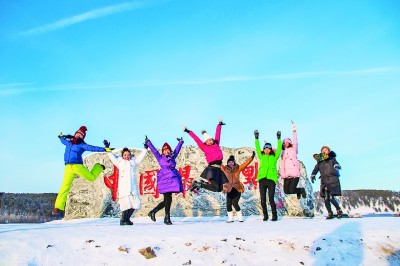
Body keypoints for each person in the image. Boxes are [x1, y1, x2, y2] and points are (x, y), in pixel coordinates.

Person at [53, 126, 113, 216]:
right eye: (78, 134)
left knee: (91, 177)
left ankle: (98, 167)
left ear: (82, 137)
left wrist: (104, 149)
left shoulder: (82, 145)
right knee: (64, 187)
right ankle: (58, 206)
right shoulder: (68, 143)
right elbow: (62, 140)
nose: (79, 136)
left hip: (77, 166)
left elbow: (92, 148)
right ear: (75, 134)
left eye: (81, 135)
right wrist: (60, 137)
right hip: (68, 167)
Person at [145, 136, 184, 225]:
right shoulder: (160, 157)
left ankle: (154, 212)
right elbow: (154, 151)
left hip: (172, 180)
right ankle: (166, 218)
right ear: (162, 151)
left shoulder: (173, 157)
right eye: (165, 150)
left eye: (168, 149)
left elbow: (177, 150)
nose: (166, 151)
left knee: (167, 200)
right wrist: (148, 142)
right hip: (164, 179)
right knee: (168, 199)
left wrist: (180, 142)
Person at [183, 118, 228, 193]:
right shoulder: (204, 147)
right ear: (205, 142)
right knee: (216, 187)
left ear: (212, 140)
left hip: (219, 169)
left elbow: (218, 134)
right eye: (207, 141)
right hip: (212, 169)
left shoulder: (216, 144)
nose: (209, 142)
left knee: (219, 189)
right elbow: (196, 139)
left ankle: (200, 184)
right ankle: (200, 184)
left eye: (210, 140)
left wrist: (219, 125)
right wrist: (188, 131)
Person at [107, 144, 147, 225]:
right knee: (126, 205)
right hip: (124, 188)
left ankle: (127, 219)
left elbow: (140, 158)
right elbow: (112, 158)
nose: (127, 156)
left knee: (134, 205)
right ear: (122, 156)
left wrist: (145, 149)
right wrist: (108, 149)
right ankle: (123, 220)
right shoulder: (120, 163)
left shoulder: (133, 163)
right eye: (125, 155)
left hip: (133, 188)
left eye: (128, 155)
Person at [254, 129, 282, 221]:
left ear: (270, 150)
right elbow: (257, 149)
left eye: (268, 149)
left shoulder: (275, 157)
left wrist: (279, 139)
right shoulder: (262, 156)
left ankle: (274, 215)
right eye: (265, 149)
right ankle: (265, 215)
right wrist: (256, 139)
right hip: (262, 179)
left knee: (271, 198)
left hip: (271, 179)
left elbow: (279, 149)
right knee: (262, 199)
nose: (267, 150)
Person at [310, 146, 343, 219]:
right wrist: (313, 175)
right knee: (326, 198)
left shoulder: (332, 158)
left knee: (331, 197)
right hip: (324, 181)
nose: (324, 151)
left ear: (328, 151)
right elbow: (316, 169)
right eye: (323, 150)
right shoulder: (320, 161)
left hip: (332, 179)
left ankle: (339, 209)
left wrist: (337, 166)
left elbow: (335, 163)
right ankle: (330, 213)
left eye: (326, 150)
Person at [221, 152, 255, 223]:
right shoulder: (224, 169)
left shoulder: (238, 168)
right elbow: (218, 164)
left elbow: (246, 164)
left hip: (237, 188)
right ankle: (230, 218)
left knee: (235, 203)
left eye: (232, 162)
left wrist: (252, 157)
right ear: (227, 163)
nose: (230, 163)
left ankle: (240, 218)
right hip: (229, 189)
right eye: (229, 162)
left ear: (234, 163)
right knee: (228, 204)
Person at [279, 120, 306, 199]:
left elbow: (295, 141)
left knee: (291, 189)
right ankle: (298, 191)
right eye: (284, 143)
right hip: (286, 174)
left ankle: (301, 190)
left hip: (294, 173)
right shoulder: (282, 152)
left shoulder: (294, 149)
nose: (286, 144)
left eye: (287, 142)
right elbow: (276, 150)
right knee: (287, 191)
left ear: (290, 143)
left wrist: (294, 130)